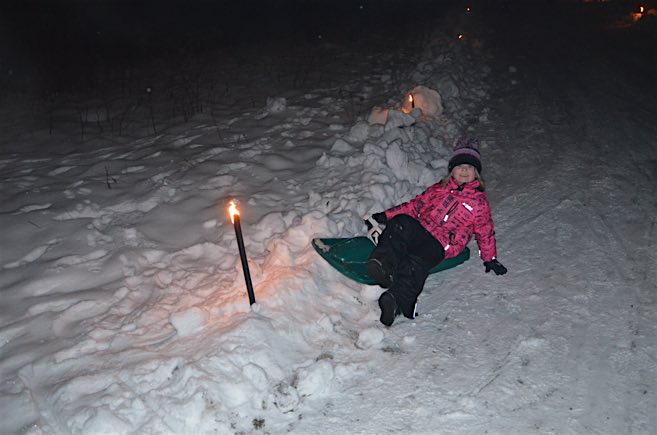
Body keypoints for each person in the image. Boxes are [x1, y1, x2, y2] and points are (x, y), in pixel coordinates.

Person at [365, 137, 507, 326]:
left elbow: (485, 231)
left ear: (476, 174)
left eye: (469, 168)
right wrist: (386, 215)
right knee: (401, 223)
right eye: (459, 167)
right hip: (421, 230)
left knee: (415, 263)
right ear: (452, 170)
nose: (464, 171)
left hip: (441, 245)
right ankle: (382, 266)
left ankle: (395, 301)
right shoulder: (439, 188)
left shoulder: (479, 203)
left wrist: (490, 258)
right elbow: (415, 206)